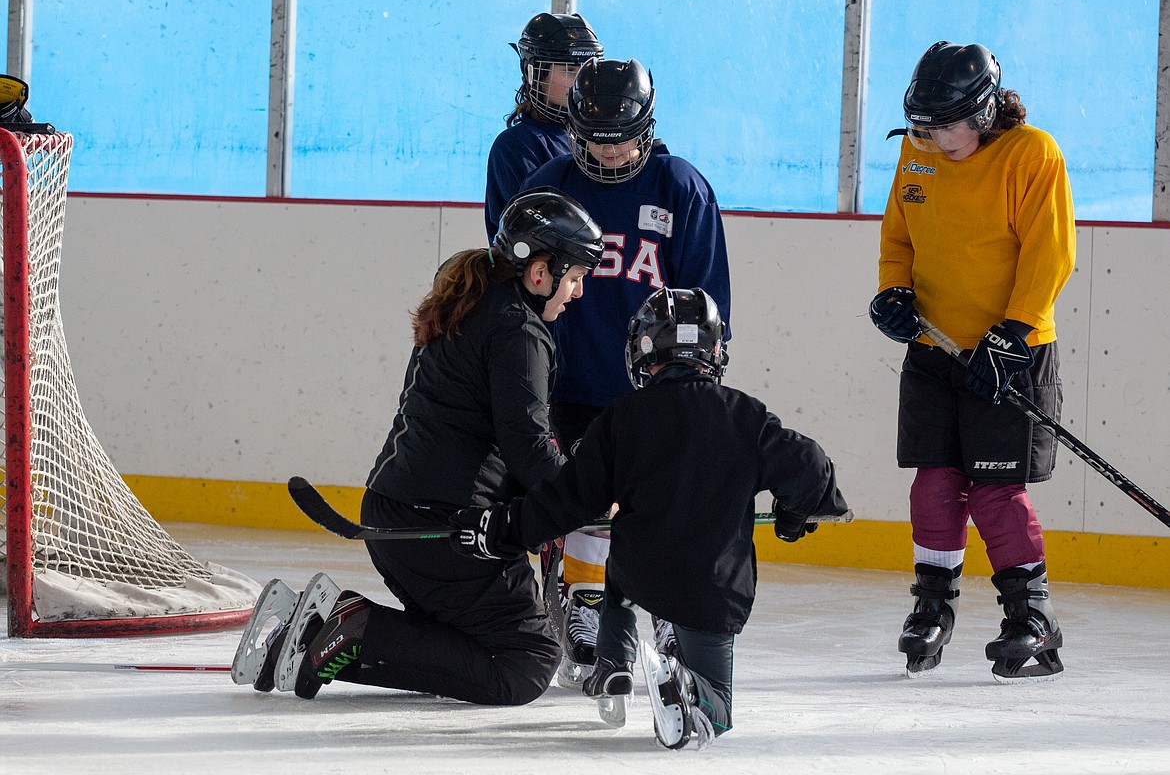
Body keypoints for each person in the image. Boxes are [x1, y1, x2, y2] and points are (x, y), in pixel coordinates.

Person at [232, 187, 604, 704]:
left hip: (394, 518)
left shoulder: (470, 301)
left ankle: (311, 632)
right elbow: (529, 447)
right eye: (577, 277)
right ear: (540, 272)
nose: (578, 291)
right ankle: (352, 625)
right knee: (526, 662)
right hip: (446, 532)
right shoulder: (517, 328)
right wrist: (590, 495)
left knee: (468, 642)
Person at [448, 287, 848, 749]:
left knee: (618, 586)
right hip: (714, 590)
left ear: (643, 352)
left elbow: (567, 500)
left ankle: (614, 665)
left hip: (643, 572)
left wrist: (502, 529)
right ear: (715, 351)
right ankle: (691, 690)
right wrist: (797, 512)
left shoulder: (621, 418)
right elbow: (812, 469)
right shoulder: (746, 416)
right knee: (716, 714)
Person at [519, 58, 733, 687]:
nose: (609, 153)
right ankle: (582, 604)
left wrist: (698, 380)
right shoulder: (550, 183)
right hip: (569, 380)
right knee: (581, 495)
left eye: (620, 138)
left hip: (653, 386)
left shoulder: (680, 187)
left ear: (647, 124)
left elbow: (706, 294)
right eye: (595, 138)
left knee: (657, 500)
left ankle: (663, 603)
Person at [870, 41, 1076, 681]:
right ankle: (932, 606)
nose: (927, 140)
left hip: (1011, 354)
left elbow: (1051, 251)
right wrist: (891, 293)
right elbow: (898, 238)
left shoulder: (1031, 154)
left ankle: (1030, 615)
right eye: (919, 127)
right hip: (934, 350)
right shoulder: (918, 154)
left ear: (984, 113)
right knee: (934, 485)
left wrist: (1013, 334)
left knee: (993, 491)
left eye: (940, 128)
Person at [484, 12, 603, 241]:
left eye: (587, 69)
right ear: (535, 73)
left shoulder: (601, 142)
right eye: (569, 69)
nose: (581, 81)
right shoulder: (517, 146)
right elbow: (531, 235)